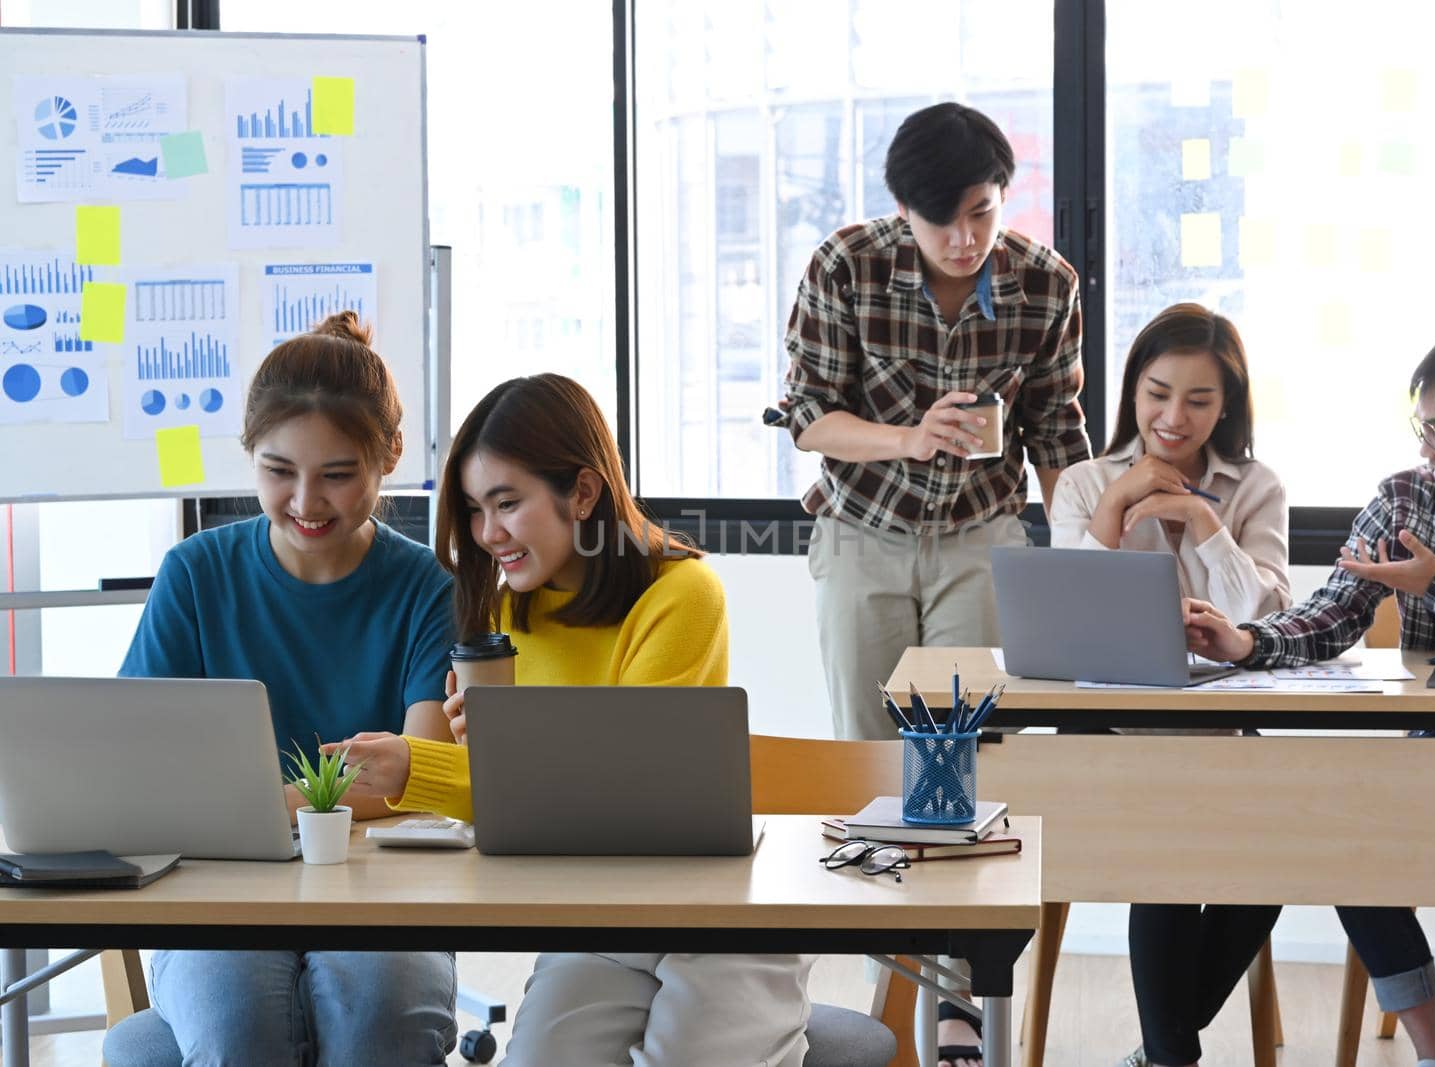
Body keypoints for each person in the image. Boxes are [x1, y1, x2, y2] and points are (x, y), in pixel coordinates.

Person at [334, 374, 814, 1067]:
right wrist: (475, 757)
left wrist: (451, 762)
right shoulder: (504, 616)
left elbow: (625, 786)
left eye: (508, 503)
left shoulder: (680, 592)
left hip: (713, 912)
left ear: (582, 492)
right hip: (602, 915)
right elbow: (526, 802)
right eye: (474, 509)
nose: (488, 533)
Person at [1182, 325, 1435, 1067]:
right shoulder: (1405, 498)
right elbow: (1335, 611)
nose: (1425, 449)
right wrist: (1249, 641)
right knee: (1345, 833)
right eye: (1422, 428)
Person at [119, 313, 458, 1065]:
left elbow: (425, 774)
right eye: (279, 471)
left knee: (382, 1024)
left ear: (390, 455)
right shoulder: (196, 574)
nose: (307, 501)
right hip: (217, 890)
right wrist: (337, 798)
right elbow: (139, 771)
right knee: (242, 1029)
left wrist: (245, 808)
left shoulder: (428, 587)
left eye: (338, 474)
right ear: (249, 456)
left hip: (380, 888)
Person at [776, 101, 1091, 746]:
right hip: (861, 532)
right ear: (903, 210)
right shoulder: (846, 266)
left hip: (980, 535)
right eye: (939, 221)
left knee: (962, 747)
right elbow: (808, 416)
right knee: (868, 749)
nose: (963, 240)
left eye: (981, 213)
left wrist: (1080, 563)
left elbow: (1057, 433)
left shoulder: (1047, 286)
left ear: (1005, 193)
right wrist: (909, 440)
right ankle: (874, 853)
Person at [1049, 303, 1290, 1067]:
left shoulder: (1254, 487)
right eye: (1157, 393)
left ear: (1228, 405)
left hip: (1217, 727)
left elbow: (1268, 619)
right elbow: (1070, 627)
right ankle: (1171, 1057)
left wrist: (1202, 519)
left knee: (1283, 856)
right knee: (1169, 850)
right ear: (1132, 390)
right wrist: (1119, 505)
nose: (1173, 417)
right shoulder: (1087, 483)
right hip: (1106, 731)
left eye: (1199, 399)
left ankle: (1162, 1051)